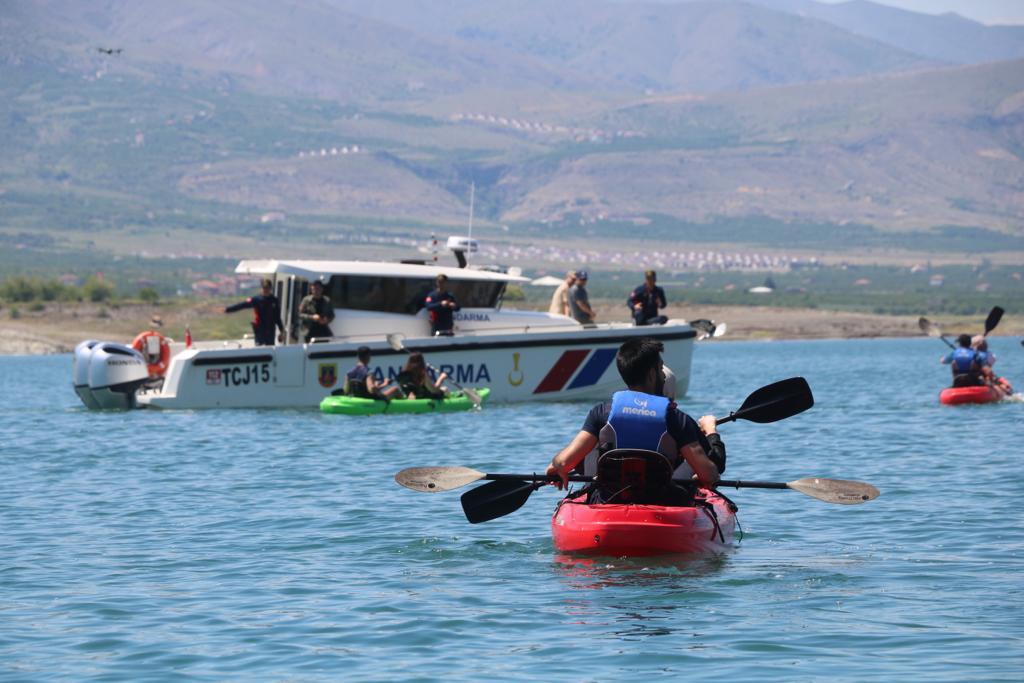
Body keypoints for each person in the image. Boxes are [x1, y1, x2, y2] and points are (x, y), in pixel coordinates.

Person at [545, 338, 723, 506]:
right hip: (663, 504)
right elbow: (708, 475)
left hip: (609, 501)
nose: (663, 374)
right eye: (661, 369)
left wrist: (556, 466)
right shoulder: (676, 419)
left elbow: (563, 462)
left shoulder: (600, 413)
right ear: (652, 373)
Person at [224, 279, 285, 346]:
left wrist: (282, 331)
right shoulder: (257, 299)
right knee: (259, 348)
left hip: (270, 331)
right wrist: (228, 309)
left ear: (270, 289)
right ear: (262, 288)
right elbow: (242, 305)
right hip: (259, 330)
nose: (266, 290)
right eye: (264, 288)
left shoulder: (274, 300)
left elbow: (277, 318)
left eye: (268, 288)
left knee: (269, 349)